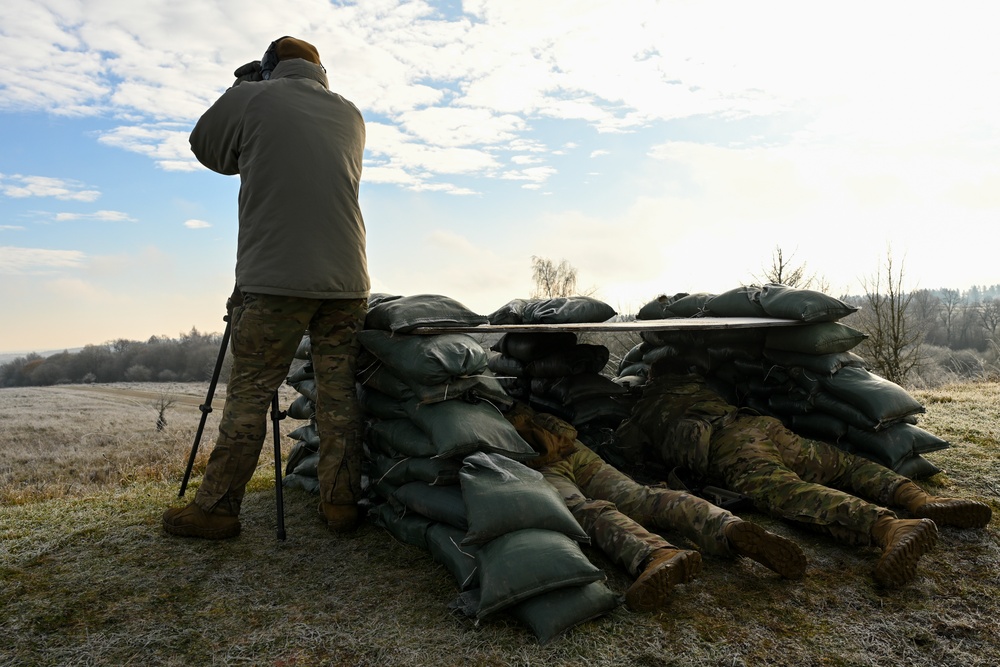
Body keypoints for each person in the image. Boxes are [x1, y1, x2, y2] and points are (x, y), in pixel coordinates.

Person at [163, 36, 370, 539]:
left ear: (269, 67)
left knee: (252, 393)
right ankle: (340, 505)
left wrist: (241, 85)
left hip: (274, 277)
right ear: (319, 69)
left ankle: (216, 509)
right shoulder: (351, 114)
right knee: (339, 395)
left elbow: (209, 148)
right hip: (347, 279)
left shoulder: (254, 96)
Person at [613, 358, 992, 588]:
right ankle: (918, 498)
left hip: (731, 447)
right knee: (841, 463)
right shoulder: (705, 389)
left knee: (789, 493)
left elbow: (627, 449)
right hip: (762, 426)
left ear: (652, 377)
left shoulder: (648, 406)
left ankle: (889, 527)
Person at [506, 403, 807, 612]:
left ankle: (654, 553)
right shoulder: (523, 406)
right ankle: (727, 526)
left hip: (543, 465)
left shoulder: (480, 409)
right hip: (576, 451)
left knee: (583, 509)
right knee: (645, 497)